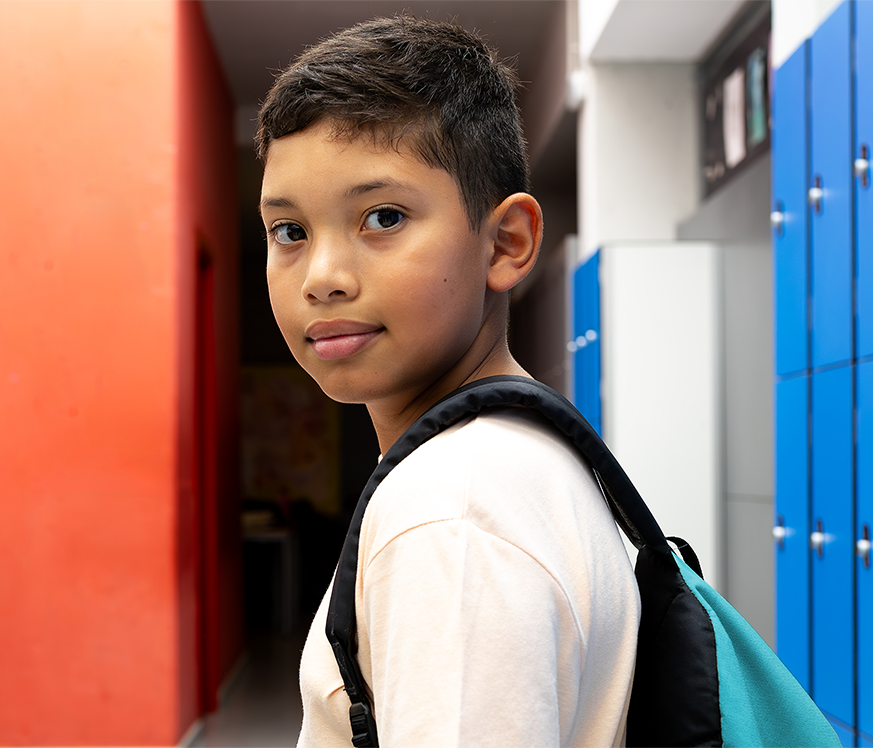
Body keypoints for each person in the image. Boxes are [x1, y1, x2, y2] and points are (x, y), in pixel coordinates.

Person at [255, 15, 641, 747]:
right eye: (290, 232)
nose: (323, 278)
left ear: (506, 243)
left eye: (384, 216)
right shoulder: (524, 452)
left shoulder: (454, 513)